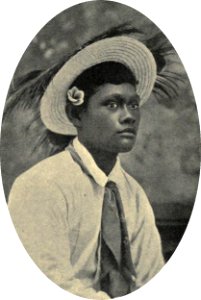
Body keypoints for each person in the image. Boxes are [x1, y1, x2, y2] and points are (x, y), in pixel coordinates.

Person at [8, 34, 164, 299]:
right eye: (112, 104)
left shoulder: (133, 194)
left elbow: (153, 277)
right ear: (76, 115)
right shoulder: (39, 186)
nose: (128, 116)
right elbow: (46, 286)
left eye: (133, 104)